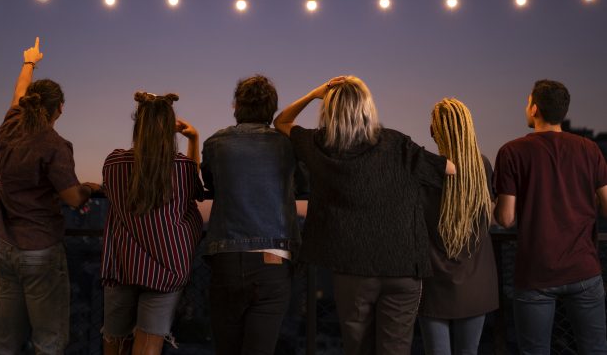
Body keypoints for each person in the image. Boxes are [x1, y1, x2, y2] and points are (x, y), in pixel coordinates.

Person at [274, 75, 455, 355]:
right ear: (368, 107)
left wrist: (314, 94)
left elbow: (282, 121)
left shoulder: (319, 145)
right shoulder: (396, 144)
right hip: (403, 265)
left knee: (357, 348)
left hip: (352, 268)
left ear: (330, 110)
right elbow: (450, 170)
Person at [0, 37, 101, 354]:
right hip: (39, 250)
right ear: (59, 109)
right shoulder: (54, 145)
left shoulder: (9, 126)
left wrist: (29, 62)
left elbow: (18, 93)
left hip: (5, 248)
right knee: (48, 342)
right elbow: (73, 198)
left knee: (5, 342)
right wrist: (90, 187)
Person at [494, 79, 607, 355]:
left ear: (534, 109)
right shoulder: (589, 149)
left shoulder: (512, 152)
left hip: (536, 274)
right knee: (594, 350)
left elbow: (506, 219)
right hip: (584, 269)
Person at [201, 74, 302, 355]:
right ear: (271, 109)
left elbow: (210, 183)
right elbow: (303, 184)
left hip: (227, 257)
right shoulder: (286, 145)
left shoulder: (214, 144)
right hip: (274, 259)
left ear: (236, 106)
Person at [100, 91, 204, 354]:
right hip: (169, 267)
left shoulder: (114, 162)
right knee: (148, 346)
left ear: (138, 125)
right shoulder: (182, 167)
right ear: (171, 130)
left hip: (123, 264)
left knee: (114, 341)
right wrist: (194, 139)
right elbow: (192, 191)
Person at [418, 98, 498, 355]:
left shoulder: (424, 169)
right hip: (476, 280)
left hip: (433, 280)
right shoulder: (481, 166)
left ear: (434, 131)